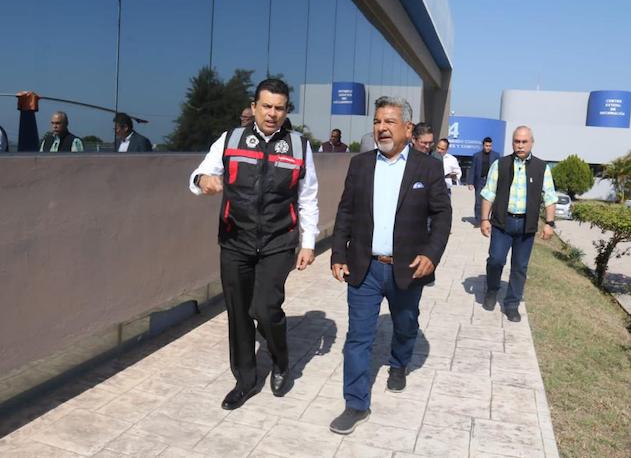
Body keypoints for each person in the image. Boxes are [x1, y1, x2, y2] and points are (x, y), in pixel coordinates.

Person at [188, 78, 319, 410]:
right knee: (238, 313)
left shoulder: (298, 146)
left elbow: (308, 198)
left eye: (279, 108)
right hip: (235, 239)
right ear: (254, 106)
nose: (272, 114)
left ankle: (280, 359)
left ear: (286, 111)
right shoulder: (230, 139)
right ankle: (245, 380)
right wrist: (204, 181)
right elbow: (198, 176)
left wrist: (308, 243)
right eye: (266, 106)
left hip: (278, 240)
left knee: (265, 309)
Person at [329, 96, 451, 434]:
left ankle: (399, 363)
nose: (381, 128)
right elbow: (345, 211)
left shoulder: (428, 168)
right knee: (358, 337)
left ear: (408, 128)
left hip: (407, 268)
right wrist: (338, 254)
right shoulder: (360, 164)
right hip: (364, 267)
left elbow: (442, 215)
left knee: (406, 324)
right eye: (377, 122)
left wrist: (432, 254)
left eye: (389, 122)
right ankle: (356, 404)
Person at [480, 126, 557, 322]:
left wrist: (549, 223)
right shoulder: (500, 164)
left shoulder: (542, 168)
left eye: (524, 141)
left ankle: (512, 304)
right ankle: (492, 289)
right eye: (517, 141)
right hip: (502, 223)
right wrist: (484, 219)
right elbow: (489, 192)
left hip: (526, 225)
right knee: (496, 260)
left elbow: (550, 197)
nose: (520, 145)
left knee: (520, 267)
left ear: (532, 143)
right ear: (512, 143)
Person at [468, 136, 500, 223]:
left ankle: (489, 219)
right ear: (483, 145)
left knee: (491, 200)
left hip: (491, 182)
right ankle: (479, 220)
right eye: (486, 146)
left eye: (490, 146)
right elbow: (472, 169)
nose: (488, 148)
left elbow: (499, 169)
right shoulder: (477, 156)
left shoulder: (496, 156)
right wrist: (470, 182)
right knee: (478, 202)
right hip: (480, 181)